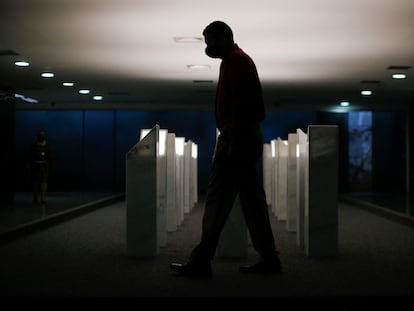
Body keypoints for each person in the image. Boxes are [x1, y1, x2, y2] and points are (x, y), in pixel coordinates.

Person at [170, 21, 281, 277]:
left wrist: (232, 140)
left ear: (226, 37)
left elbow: (243, 103)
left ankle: (201, 261)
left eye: (211, 41)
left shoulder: (236, 61)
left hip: (237, 137)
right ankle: (269, 258)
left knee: (218, 199)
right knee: (251, 201)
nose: (208, 48)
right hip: (242, 135)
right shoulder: (236, 60)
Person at [26, 130, 52, 204]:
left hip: (44, 165)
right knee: (35, 181)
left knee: (44, 181)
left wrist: (50, 165)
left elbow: (49, 156)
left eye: (43, 135)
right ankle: (35, 196)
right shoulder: (34, 145)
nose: (41, 136)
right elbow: (29, 155)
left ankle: (43, 198)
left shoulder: (47, 145)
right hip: (35, 164)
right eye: (40, 135)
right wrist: (28, 164)